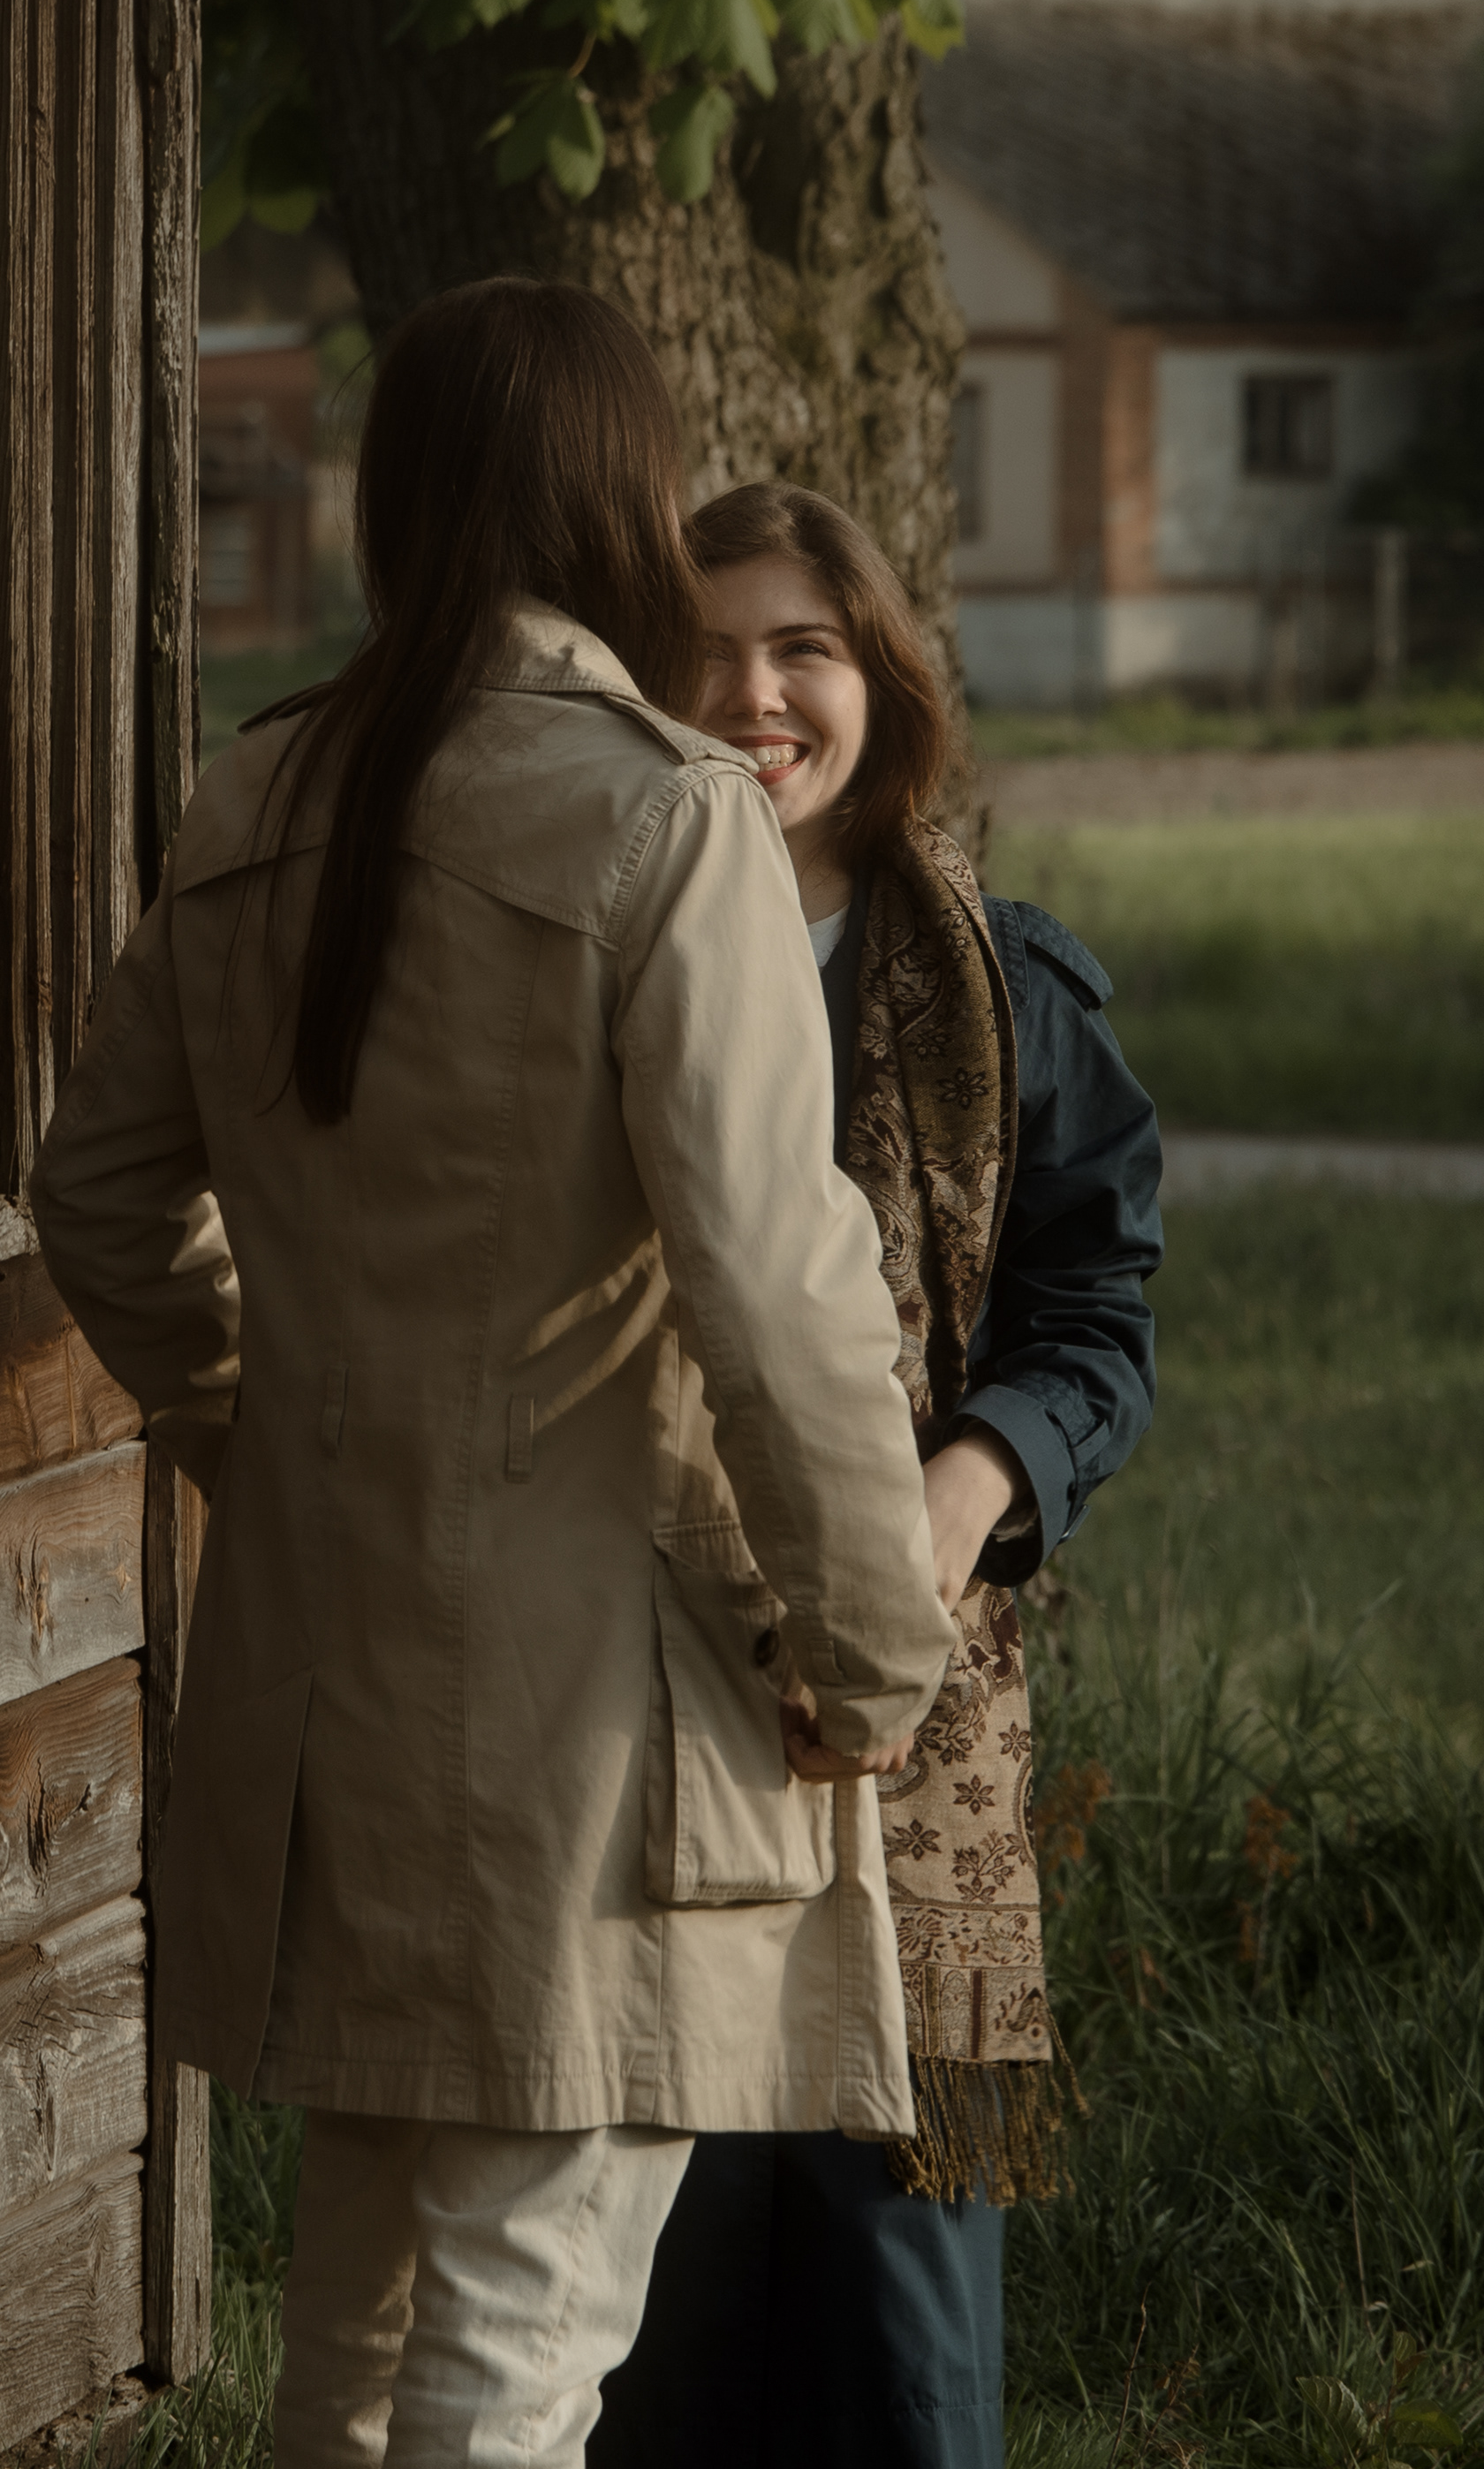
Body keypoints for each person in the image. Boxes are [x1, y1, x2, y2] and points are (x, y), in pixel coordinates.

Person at [29, 285, 962, 2469]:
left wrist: (266, 1435)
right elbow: (781, 1289)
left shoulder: (256, 792)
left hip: (328, 1678)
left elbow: (102, 1200)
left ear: (397, 504)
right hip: (587, 1722)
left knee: (353, 2342)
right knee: (517, 2348)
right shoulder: (667, 817)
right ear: (625, 502)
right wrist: (874, 1651)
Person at [587, 482, 1164, 2469]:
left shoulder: (1006, 990)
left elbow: (1095, 1318)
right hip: (642, 1711)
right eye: (706, 653)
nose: (754, 696)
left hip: (918, 1762)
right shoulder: (574, 961)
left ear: (879, 683)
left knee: (899, 2356)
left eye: (802, 650)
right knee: (643, 2335)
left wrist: (968, 1485)